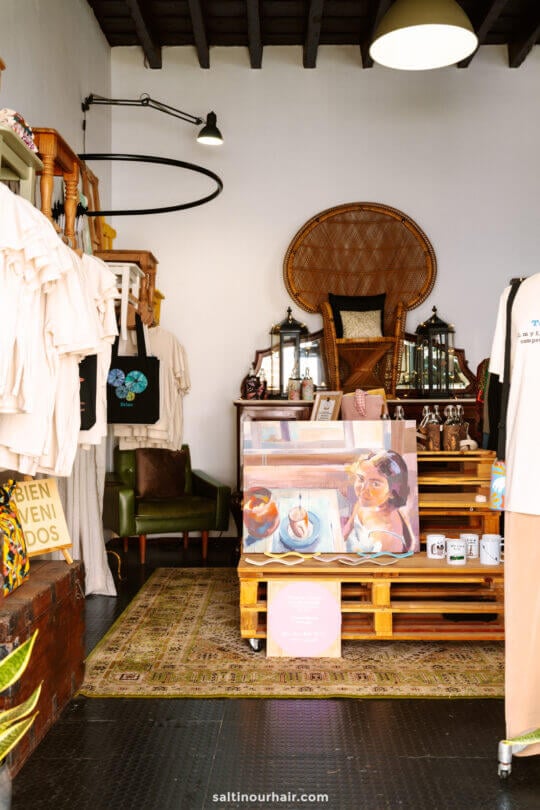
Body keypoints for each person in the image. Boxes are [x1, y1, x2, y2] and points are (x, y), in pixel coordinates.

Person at [342, 449, 414, 553]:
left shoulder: (387, 537)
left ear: (392, 491)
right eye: (361, 479)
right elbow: (348, 528)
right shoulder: (364, 503)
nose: (363, 489)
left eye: (375, 484)